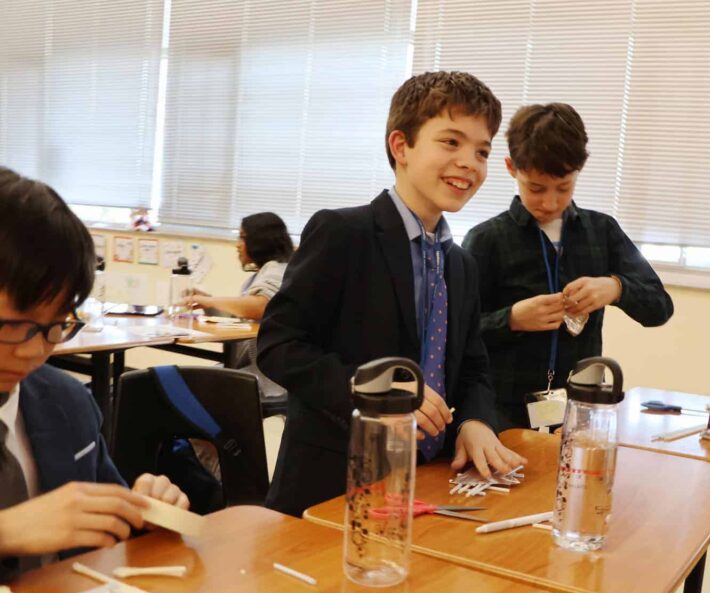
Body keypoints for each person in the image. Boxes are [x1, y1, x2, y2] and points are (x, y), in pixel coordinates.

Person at [257, 71, 525, 518]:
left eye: (482, 151)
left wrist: (476, 421)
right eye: (451, 142)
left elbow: (473, 366)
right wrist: (379, 393)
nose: (469, 163)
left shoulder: (459, 264)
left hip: (432, 481)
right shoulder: (343, 233)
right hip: (334, 485)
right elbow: (279, 346)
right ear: (401, 146)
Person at [0, 166, 190, 581]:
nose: (33, 351)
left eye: (55, 326)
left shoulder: (66, 401)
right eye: (11, 324)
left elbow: (103, 516)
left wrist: (144, 515)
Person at [463, 103, 674, 430]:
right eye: (535, 188)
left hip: (583, 410)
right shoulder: (486, 240)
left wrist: (616, 287)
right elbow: (457, 334)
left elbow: (660, 308)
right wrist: (512, 320)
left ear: (578, 171)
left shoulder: (602, 231)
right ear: (510, 167)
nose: (549, 203)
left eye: (563, 188)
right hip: (504, 414)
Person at [182, 211, 292, 407]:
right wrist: (209, 301)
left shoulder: (277, 269)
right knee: (192, 384)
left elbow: (261, 306)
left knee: (196, 388)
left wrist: (212, 300)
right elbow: (243, 316)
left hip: (267, 376)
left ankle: (211, 438)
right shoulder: (262, 273)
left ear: (259, 240)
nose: (237, 244)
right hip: (250, 366)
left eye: (242, 237)